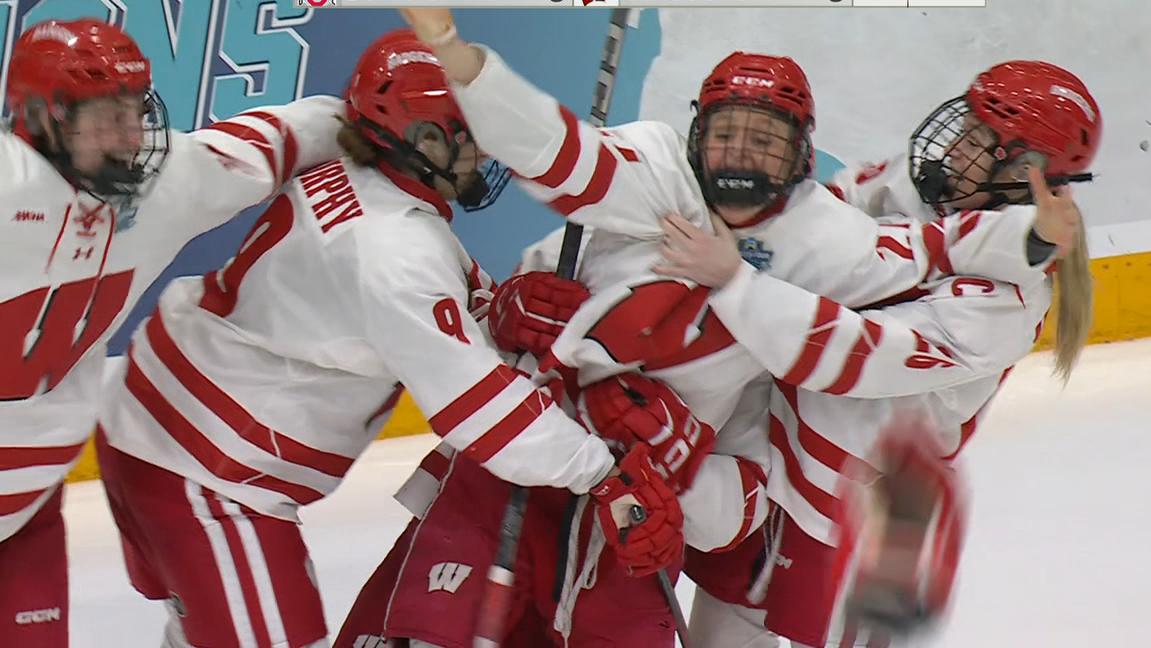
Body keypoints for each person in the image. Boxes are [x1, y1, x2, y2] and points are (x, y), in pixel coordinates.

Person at [335, 8, 1084, 647]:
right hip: (595, 463)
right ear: (696, 135)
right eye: (730, 134)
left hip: (819, 497)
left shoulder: (885, 261)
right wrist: (511, 303)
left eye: (768, 141)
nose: (952, 148)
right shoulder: (668, 169)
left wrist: (690, 465)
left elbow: (858, 341)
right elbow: (563, 156)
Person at [94, 29, 683, 648]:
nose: (485, 153)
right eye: (470, 137)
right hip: (208, 480)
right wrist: (601, 473)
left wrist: (494, 305)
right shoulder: (395, 251)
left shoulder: (353, 162)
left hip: (153, 424)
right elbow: (479, 410)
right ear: (423, 138)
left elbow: (395, 312)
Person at [663, 59, 1100, 647]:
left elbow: (853, 356)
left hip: (855, 515)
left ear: (1028, 170)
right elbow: (815, 227)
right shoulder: (913, 189)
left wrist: (735, 281)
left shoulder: (1008, 303)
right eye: (964, 126)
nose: (953, 147)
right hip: (771, 473)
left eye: (977, 139)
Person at [0, 18, 349, 646]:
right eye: (105, 116)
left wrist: (382, 116)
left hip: (26, 508)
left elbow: (282, 137)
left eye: (135, 110)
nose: (130, 135)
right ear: (44, 119)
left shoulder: (169, 183)